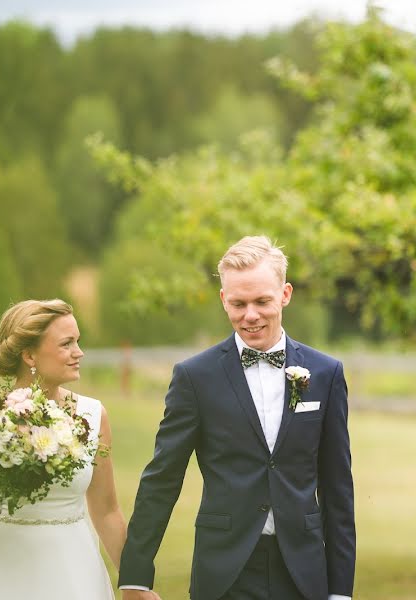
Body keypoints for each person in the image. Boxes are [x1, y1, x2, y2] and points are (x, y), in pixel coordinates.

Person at [119, 236, 356, 600]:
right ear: (222, 300)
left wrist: (341, 591)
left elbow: (337, 486)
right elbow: (162, 478)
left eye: (262, 301)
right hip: (223, 572)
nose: (250, 315)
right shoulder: (194, 377)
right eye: (238, 303)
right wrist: (135, 575)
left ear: (285, 294)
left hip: (304, 571)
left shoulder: (325, 373)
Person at [0, 299, 142, 599]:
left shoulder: (93, 416)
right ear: (29, 355)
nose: (79, 352)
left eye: (78, 342)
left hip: (73, 573)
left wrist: (133, 582)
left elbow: (107, 512)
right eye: (67, 344)